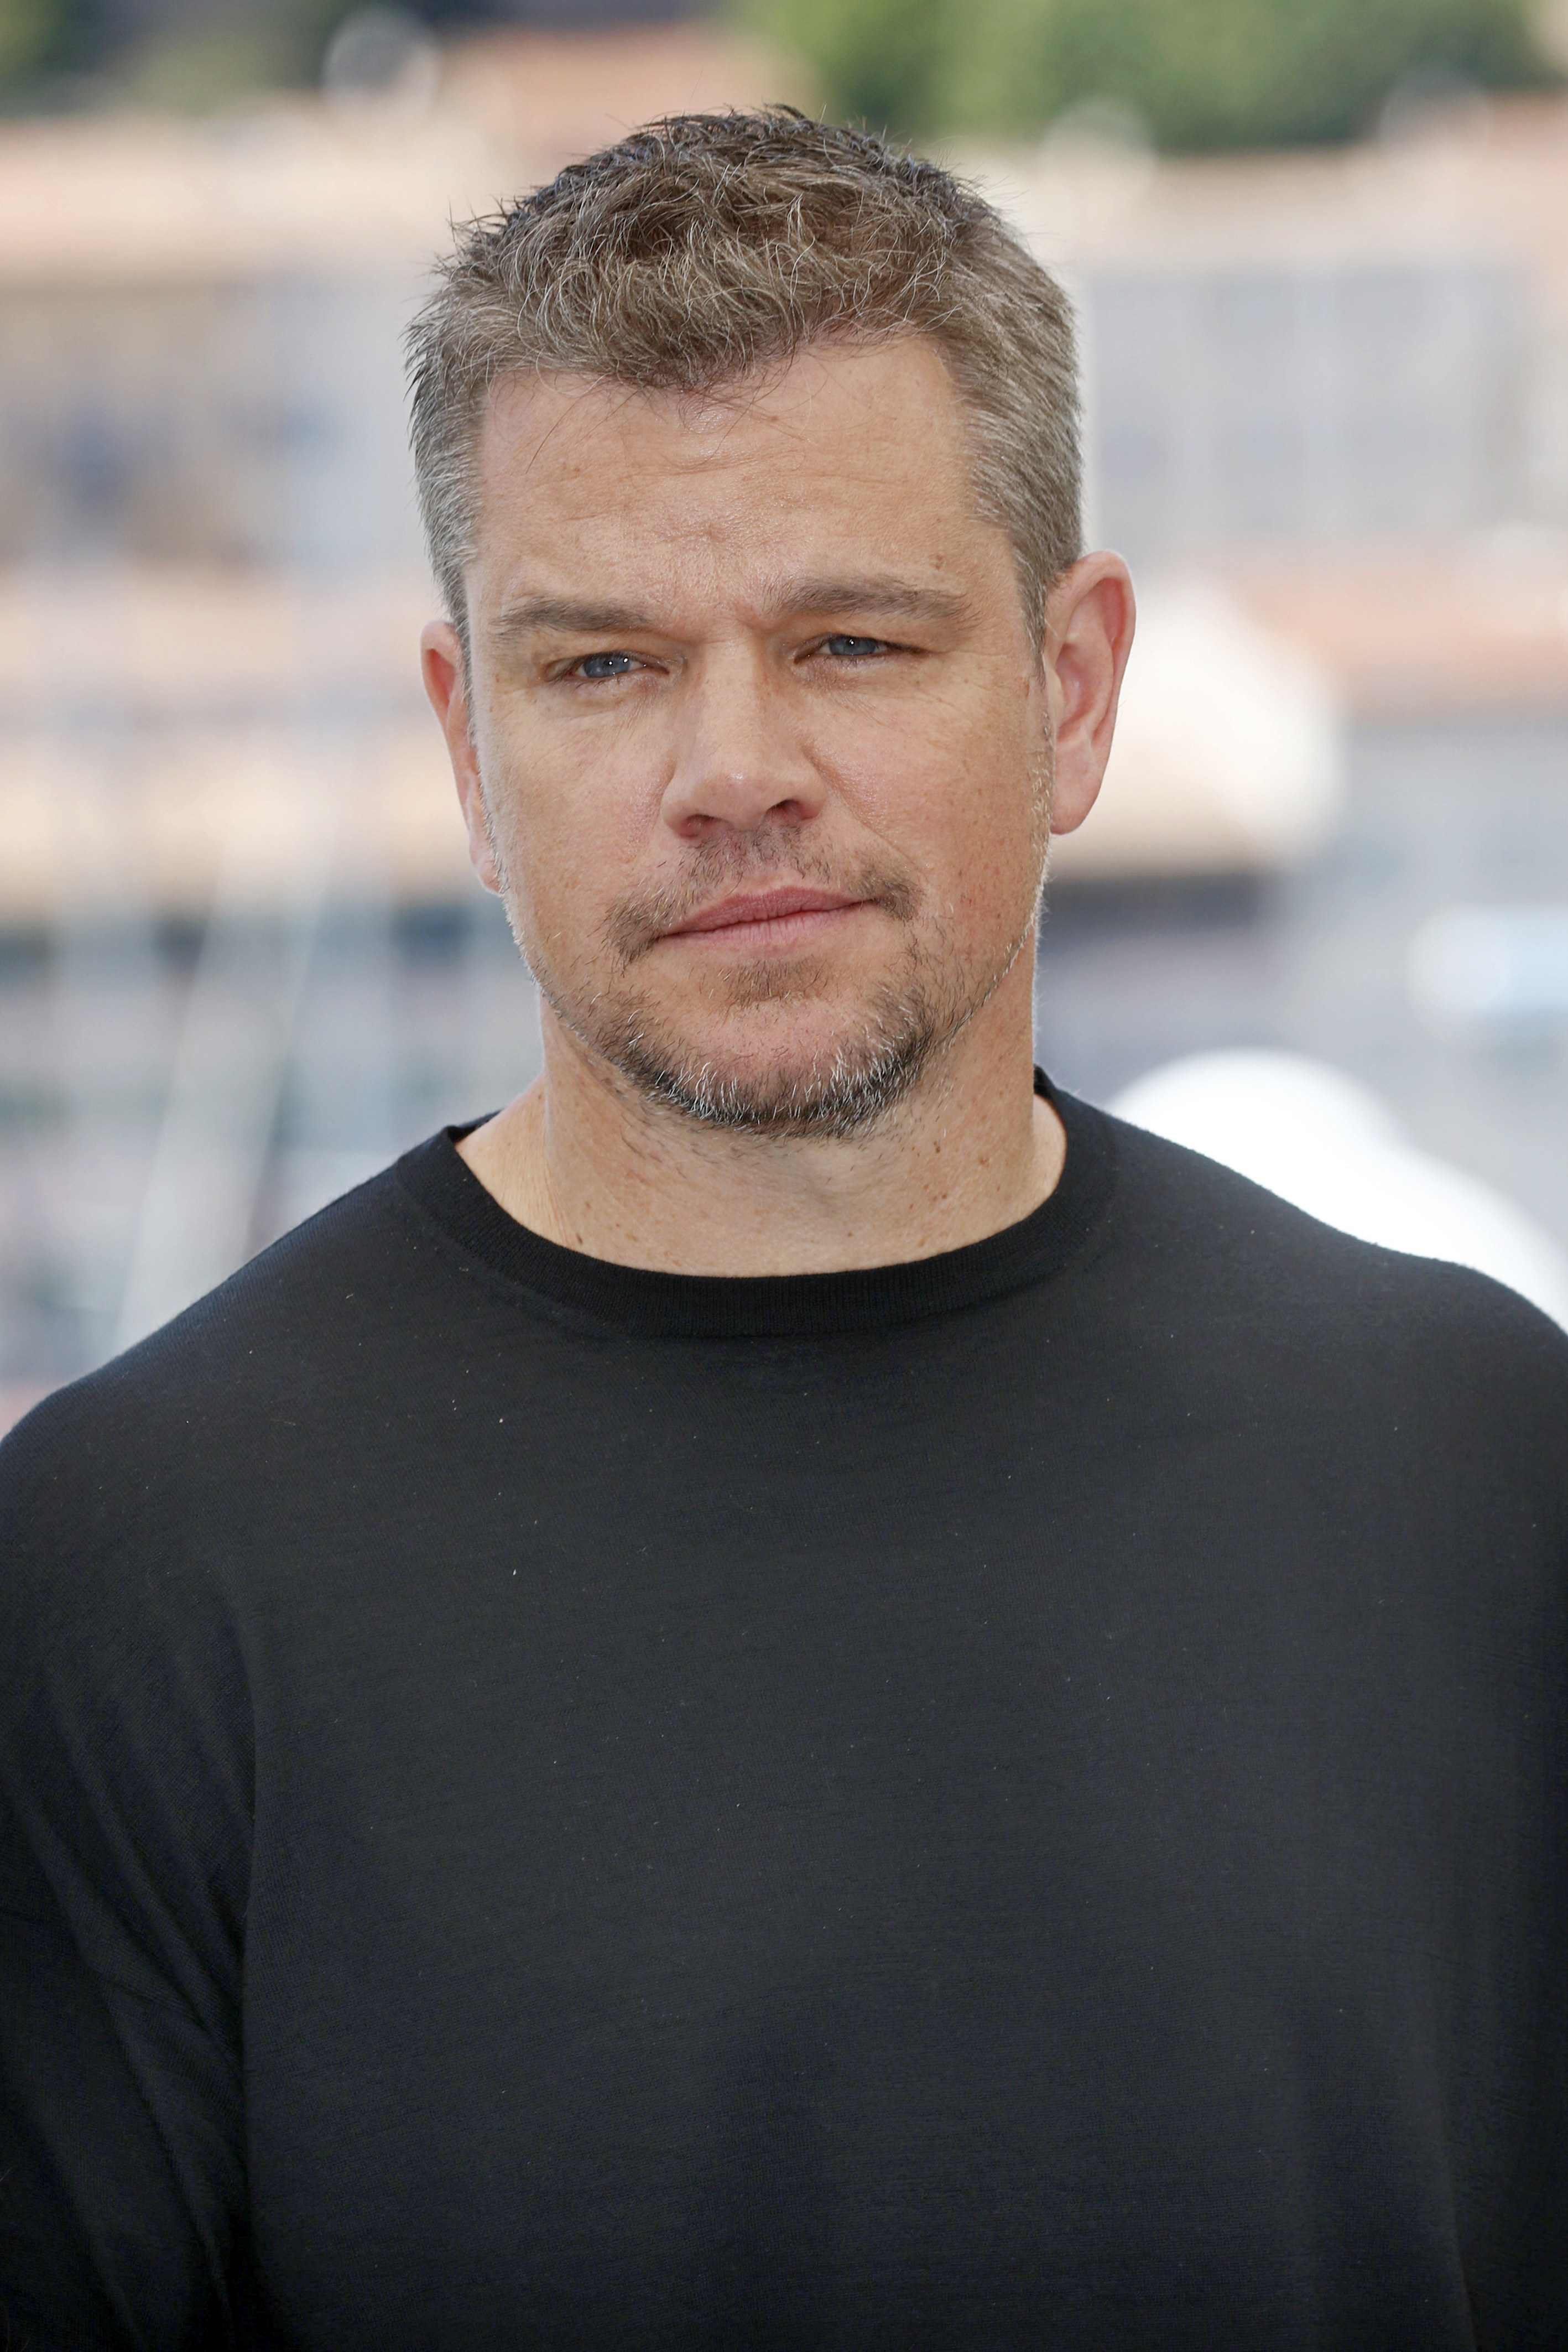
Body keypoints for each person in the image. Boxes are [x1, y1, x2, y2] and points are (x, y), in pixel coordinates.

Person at [1, 108, 1563, 2352]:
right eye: (604, 666)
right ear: (468, 748)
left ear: (1073, 688)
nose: (730, 767)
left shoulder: (1482, 1464)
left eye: (846, 641)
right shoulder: (119, 1578)